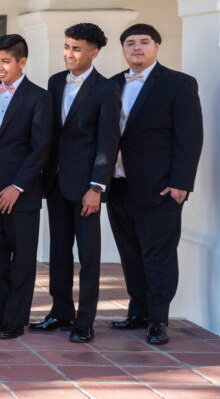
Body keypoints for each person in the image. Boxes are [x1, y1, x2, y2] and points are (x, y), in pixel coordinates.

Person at [107, 23, 202, 346]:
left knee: (158, 255)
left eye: (144, 42)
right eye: (130, 43)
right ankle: (138, 312)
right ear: (123, 49)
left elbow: (189, 138)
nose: (137, 48)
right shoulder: (112, 85)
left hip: (160, 187)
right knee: (130, 252)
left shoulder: (178, 84)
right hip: (118, 185)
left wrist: (181, 184)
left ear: (157, 46)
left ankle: (158, 320)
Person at [31, 23, 120, 344]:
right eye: (67, 46)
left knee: (89, 255)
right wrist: (41, 176)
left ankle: (85, 321)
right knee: (58, 251)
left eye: (77, 48)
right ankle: (60, 312)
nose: (69, 53)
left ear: (94, 53)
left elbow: (108, 143)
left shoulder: (107, 89)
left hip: (86, 188)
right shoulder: (55, 82)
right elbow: (50, 134)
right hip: (55, 182)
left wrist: (97, 187)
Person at [0, 34, 52, 340]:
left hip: (23, 194)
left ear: (22, 62)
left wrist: (17, 187)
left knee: (22, 260)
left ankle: (15, 321)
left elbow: (40, 149)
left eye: (5, 61)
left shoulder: (39, 97)